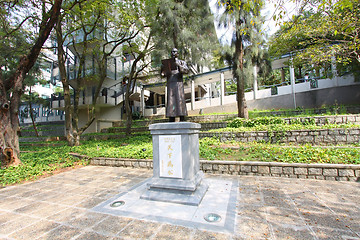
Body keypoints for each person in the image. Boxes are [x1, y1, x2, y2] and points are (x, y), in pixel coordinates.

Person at [161, 48, 189, 122]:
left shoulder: (182, 62)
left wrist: (179, 65)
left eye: (174, 52)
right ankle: (171, 117)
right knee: (171, 100)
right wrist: (163, 72)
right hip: (170, 82)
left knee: (180, 99)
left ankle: (182, 117)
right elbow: (162, 73)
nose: (173, 53)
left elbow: (186, 70)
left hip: (178, 82)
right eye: (172, 52)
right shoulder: (168, 63)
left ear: (177, 53)